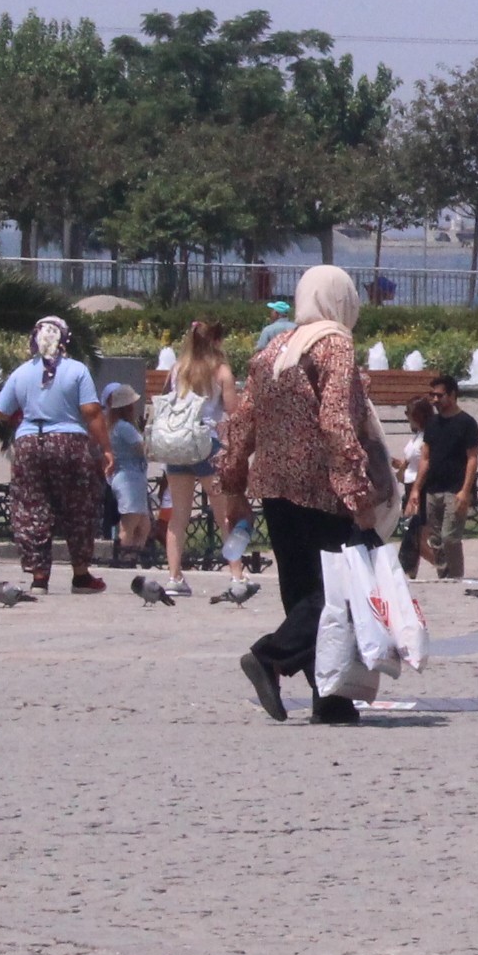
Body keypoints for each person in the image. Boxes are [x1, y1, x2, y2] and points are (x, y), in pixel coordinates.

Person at [216, 263, 395, 725]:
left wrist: (234, 483)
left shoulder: (276, 346)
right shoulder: (334, 343)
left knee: (300, 592)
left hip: (274, 486)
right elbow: (336, 422)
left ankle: (330, 698)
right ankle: (270, 657)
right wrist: (358, 496)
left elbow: (242, 422)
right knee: (333, 594)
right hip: (322, 488)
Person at [0, 317, 112, 595]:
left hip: (29, 444)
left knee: (32, 508)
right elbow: (91, 412)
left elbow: (0, 411)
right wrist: (106, 448)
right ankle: (81, 575)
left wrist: (23, 417)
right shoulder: (77, 370)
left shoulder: (21, 372)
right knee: (78, 507)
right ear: (66, 340)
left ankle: (39, 576)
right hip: (69, 442)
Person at [153, 320, 233, 589]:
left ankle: (174, 576)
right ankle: (236, 573)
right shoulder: (220, 371)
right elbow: (234, 409)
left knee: (179, 515)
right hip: (208, 445)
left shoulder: (177, 370)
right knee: (224, 514)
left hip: (179, 445)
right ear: (215, 342)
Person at [405, 371, 478, 582]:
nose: (435, 400)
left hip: (455, 490)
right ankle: (444, 575)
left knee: (450, 537)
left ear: (453, 394)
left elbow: (472, 458)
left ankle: (456, 577)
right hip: (433, 489)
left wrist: (466, 490)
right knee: (435, 539)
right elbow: (425, 458)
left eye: (439, 395)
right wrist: (417, 489)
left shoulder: (467, 423)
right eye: (433, 395)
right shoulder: (432, 424)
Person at [101, 383, 155, 570]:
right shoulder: (124, 427)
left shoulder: (116, 426)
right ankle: (124, 560)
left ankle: (130, 556)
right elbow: (143, 449)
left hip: (131, 477)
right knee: (130, 524)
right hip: (129, 479)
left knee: (144, 524)